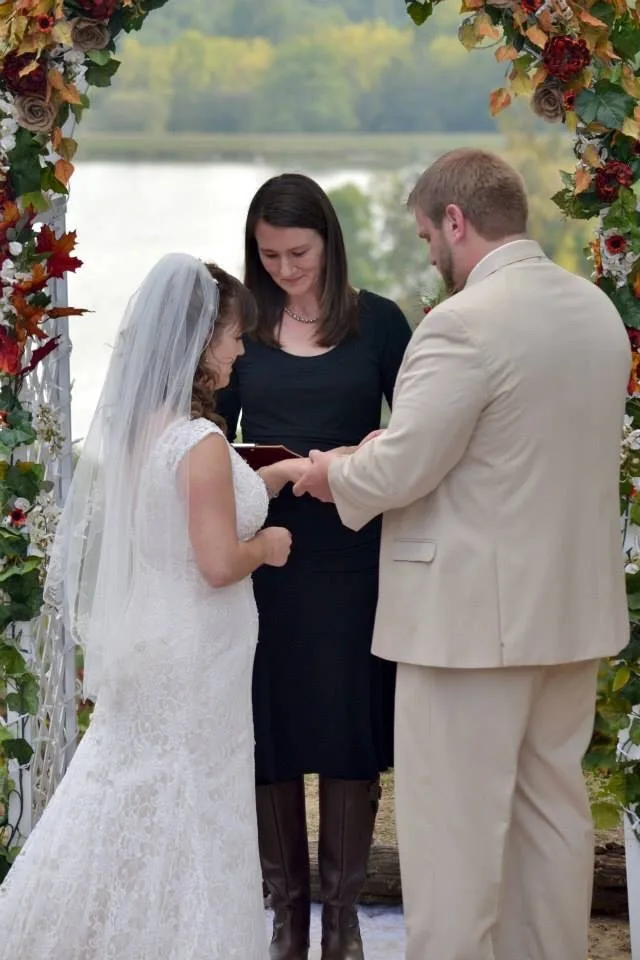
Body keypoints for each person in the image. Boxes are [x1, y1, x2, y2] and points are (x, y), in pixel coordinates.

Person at [294, 149, 631, 960]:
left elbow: (404, 468)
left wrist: (329, 469)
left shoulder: (462, 324)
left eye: (425, 237)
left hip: (468, 630)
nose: (429, 257)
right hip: (570, 615)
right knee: (552, 828)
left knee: (452, 848)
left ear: (455, 220)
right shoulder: (594, 312)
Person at [0, 253, 307, 960]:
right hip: (196, 653)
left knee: (129, 794)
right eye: (232, 335)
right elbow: (217, 562)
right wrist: (268, 546)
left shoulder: (146, 428)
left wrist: (283, 471)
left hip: (157, 639)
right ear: (201, 343)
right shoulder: (198, 444)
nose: (238, 348)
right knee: (192, 806)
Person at [216, 173, 412, 960]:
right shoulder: (242, 328)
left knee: (345, 726)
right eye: (268, 256)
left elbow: (420, 432)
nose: (285, 270)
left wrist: (362, 453)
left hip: (353, 562)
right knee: (270, 727)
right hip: (262, 563)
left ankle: (342, 919)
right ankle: (287, 918)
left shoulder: (381, 325)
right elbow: (202, 437)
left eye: (298, 253)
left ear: (329, 240)